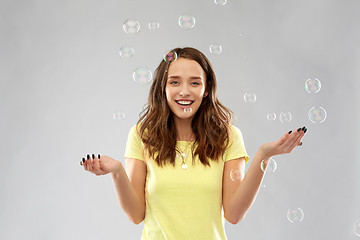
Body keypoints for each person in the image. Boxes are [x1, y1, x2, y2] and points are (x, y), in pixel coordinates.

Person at [80, 47, 307, 240]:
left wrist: (262, 156)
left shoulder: (229, 137)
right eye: (175, 82)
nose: (184, 91)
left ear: (206, 89)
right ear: (163, 88)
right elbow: (136, 215)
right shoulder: (142, 135)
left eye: (195, 83)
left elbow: (234, 214)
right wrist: (117, 172)